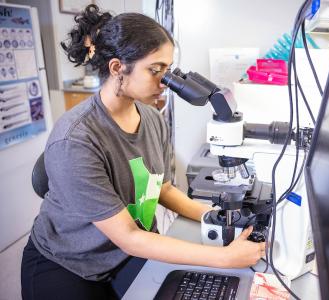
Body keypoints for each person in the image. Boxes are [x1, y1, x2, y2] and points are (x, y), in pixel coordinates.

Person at [21, 4, 265, 300]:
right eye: (155, 70)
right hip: (69, 263)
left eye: (168, 70)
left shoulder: (151, 119)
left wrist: (214, 215)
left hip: (124, 255)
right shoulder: (76, 139)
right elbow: (129, 236)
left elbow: (161, 189)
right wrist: (226, 257)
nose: (165, 82)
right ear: (117, 68)